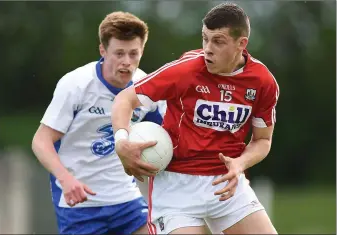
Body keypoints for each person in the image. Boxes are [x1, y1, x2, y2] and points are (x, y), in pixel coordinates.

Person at [111, 2, 279, 235]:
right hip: (176, 187)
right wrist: (121, 142)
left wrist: (240, 163)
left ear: (241, 44)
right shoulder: (186, 70)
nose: (208, 48)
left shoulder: (262, 82)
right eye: (204, 38)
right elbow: (125, 99)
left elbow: (262, 140)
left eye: (218, 41)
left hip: (227, 185)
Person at [32, 11, 165, 235]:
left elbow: (165, 134)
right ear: (103, 51)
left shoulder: (146, 88)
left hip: (126, 199)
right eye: (119, 53)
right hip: (80, 205)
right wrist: (66, 180)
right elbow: (41, 141)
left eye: (134, 54)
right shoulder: (76, 85)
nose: (126, 62)